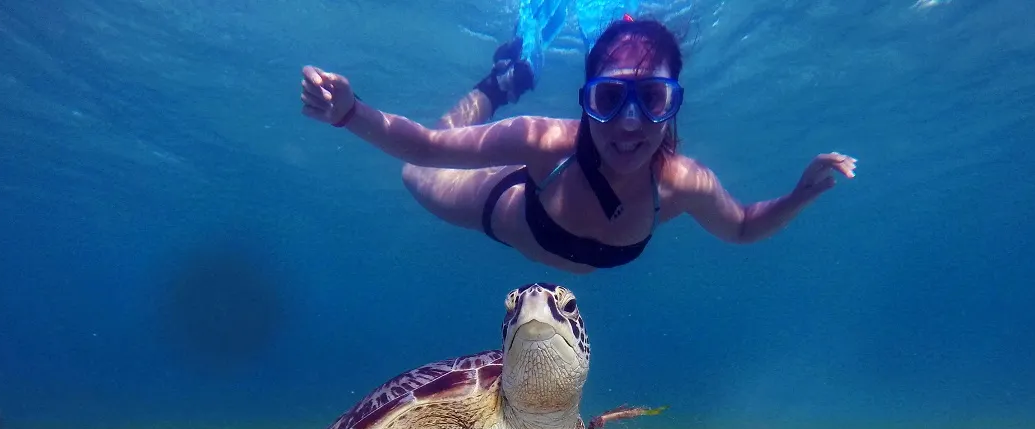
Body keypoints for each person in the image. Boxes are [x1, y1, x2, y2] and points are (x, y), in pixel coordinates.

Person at [301, 17, 857, 274]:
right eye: (611, 96)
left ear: (673, 105)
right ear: (586, 97)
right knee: (414, 173)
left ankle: (504, 80)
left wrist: (798, 195)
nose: (630, 123)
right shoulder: (544, 142)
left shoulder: (682, 184)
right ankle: (497, 87)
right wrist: (350, 112)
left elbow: (739, 226)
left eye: (653, 99)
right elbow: (422, 147)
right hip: (497, 207)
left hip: (540, 229)